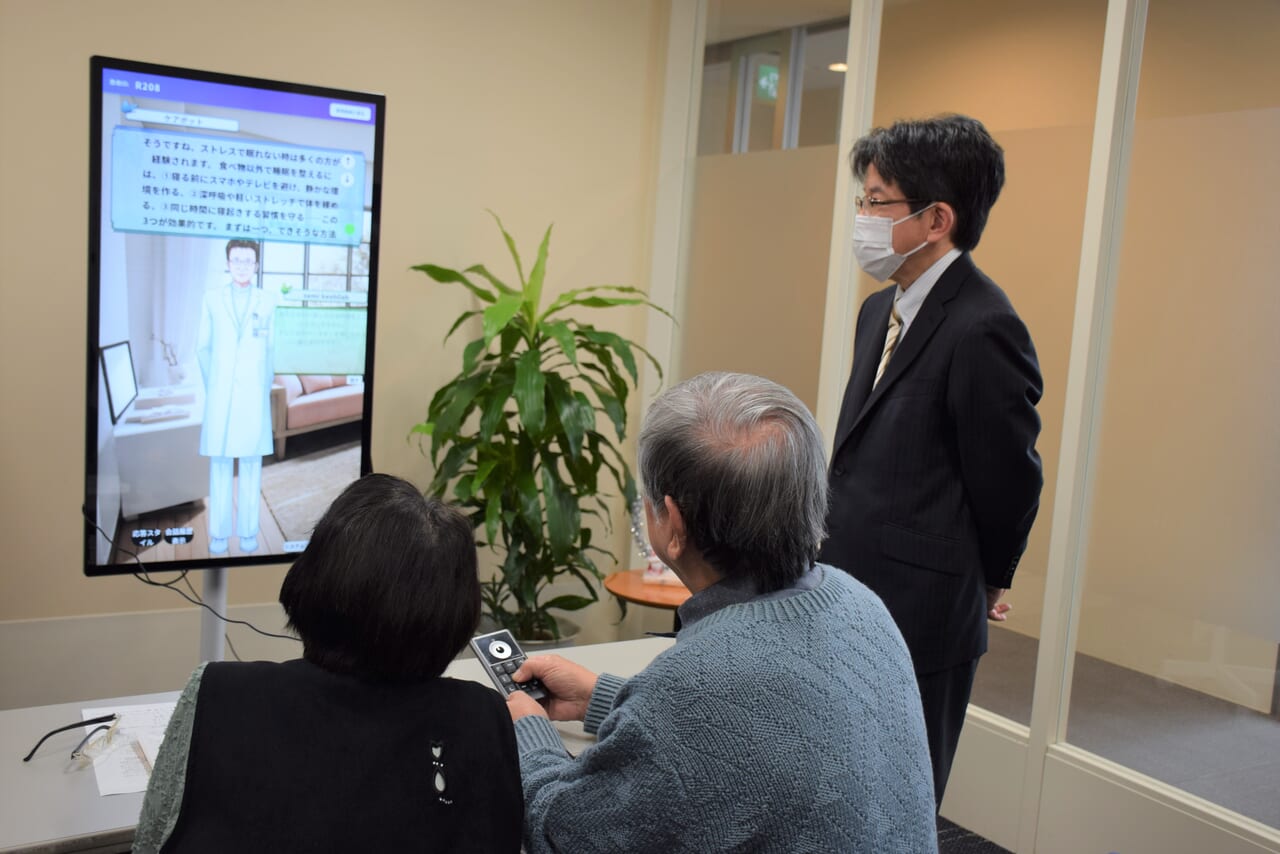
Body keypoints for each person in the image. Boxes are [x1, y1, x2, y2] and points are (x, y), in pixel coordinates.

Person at [507, 372, 937, 854]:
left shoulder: (697, 685)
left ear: (673, 523)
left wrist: (528, 733)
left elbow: (565, 835)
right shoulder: (861, 603)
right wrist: (608, 698)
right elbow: (763, 738)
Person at [819, 114, 1044, 805]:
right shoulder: (877, 310)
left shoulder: (984, 324)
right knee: (839, 790)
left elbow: (1009, 477)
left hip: (925, 610)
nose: (862, 216)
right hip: (848, 589)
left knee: (899, 801)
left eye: (876, 200)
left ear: (937, 219)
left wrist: (988, 580)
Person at [133, 474, 523, 853]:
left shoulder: (218, 692)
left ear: (313, 576)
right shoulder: (485, 715)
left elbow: (150, 841)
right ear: (458, 611)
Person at [195, 239, 275, 555]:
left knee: (252, 465)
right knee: (220, 465)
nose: (242, 266)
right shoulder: (211, 299)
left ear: (256, 265)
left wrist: (262, 386)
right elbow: (203, 348)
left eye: (248, 261)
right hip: (221, 395)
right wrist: (215, 385)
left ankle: (248, 535)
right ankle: (218, 536)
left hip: (254, 395)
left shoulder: (268, 301)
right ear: (228, 263)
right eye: (236, 260)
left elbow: (271, 349)